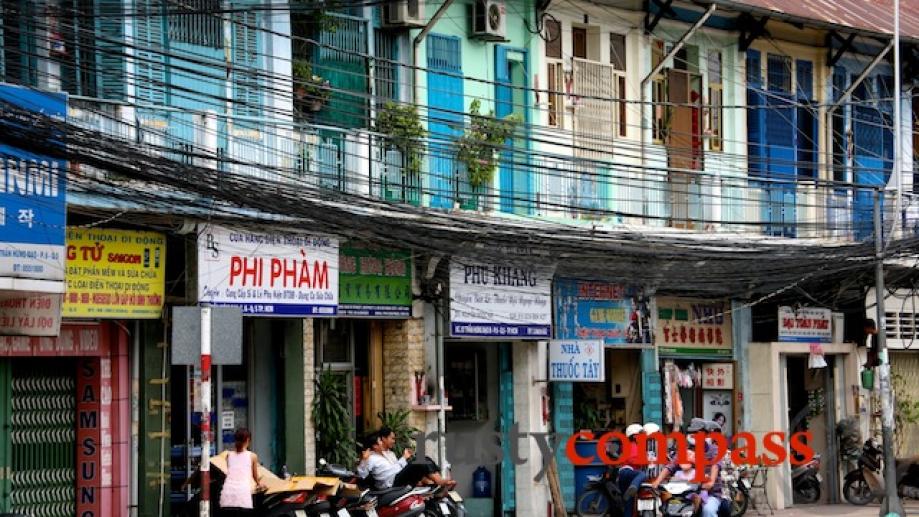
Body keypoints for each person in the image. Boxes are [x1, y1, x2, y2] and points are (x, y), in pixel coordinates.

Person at [651, 419, 723, 517]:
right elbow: (670, 466)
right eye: (691, 432)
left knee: (708, 511)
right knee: (669, 509)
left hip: (710, 494)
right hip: (685, 495)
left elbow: (716, 465)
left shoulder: (714, 450)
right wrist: (657, 481)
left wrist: (710, 482)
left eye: (697, 432)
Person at [378, 427, 455, 489]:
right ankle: (438, 481)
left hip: (397, 477)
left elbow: (398, 468)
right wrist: (404, 458)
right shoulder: (376, 457)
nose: (394, 441)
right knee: (418, 461)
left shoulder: (391, 453)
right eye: (392, 438)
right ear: (384, 438)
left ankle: (436, 481)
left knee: (424, 458)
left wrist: (405, 459)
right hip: (392, 482)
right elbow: (391, 471)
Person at [219, 428, 263, 516]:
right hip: (242, 496)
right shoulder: (252, 456)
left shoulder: (229, 455)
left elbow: (232, 472)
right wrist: (259, 484)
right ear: (247, 440)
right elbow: (255, 476)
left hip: (227, 497)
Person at [617, 423, 648, 517]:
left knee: (628, 504)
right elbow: (632, 459)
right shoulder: (633, 445)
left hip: (623, 475)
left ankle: (631, 489)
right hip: (628, 472)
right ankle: (634, 486)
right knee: (643, 474)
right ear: (635, 436)